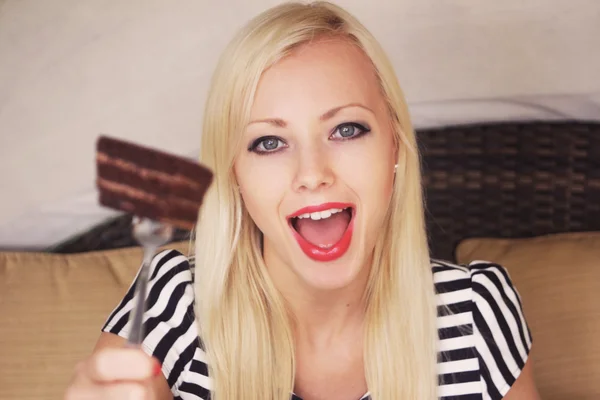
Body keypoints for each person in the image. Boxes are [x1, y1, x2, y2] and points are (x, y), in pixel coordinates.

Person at [65, 2, 540, 399]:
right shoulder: (174, 303)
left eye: (346, 129)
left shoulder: (475, 314)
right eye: (269, 142)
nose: (312, 174)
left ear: (395, 146)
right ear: (235, 175)